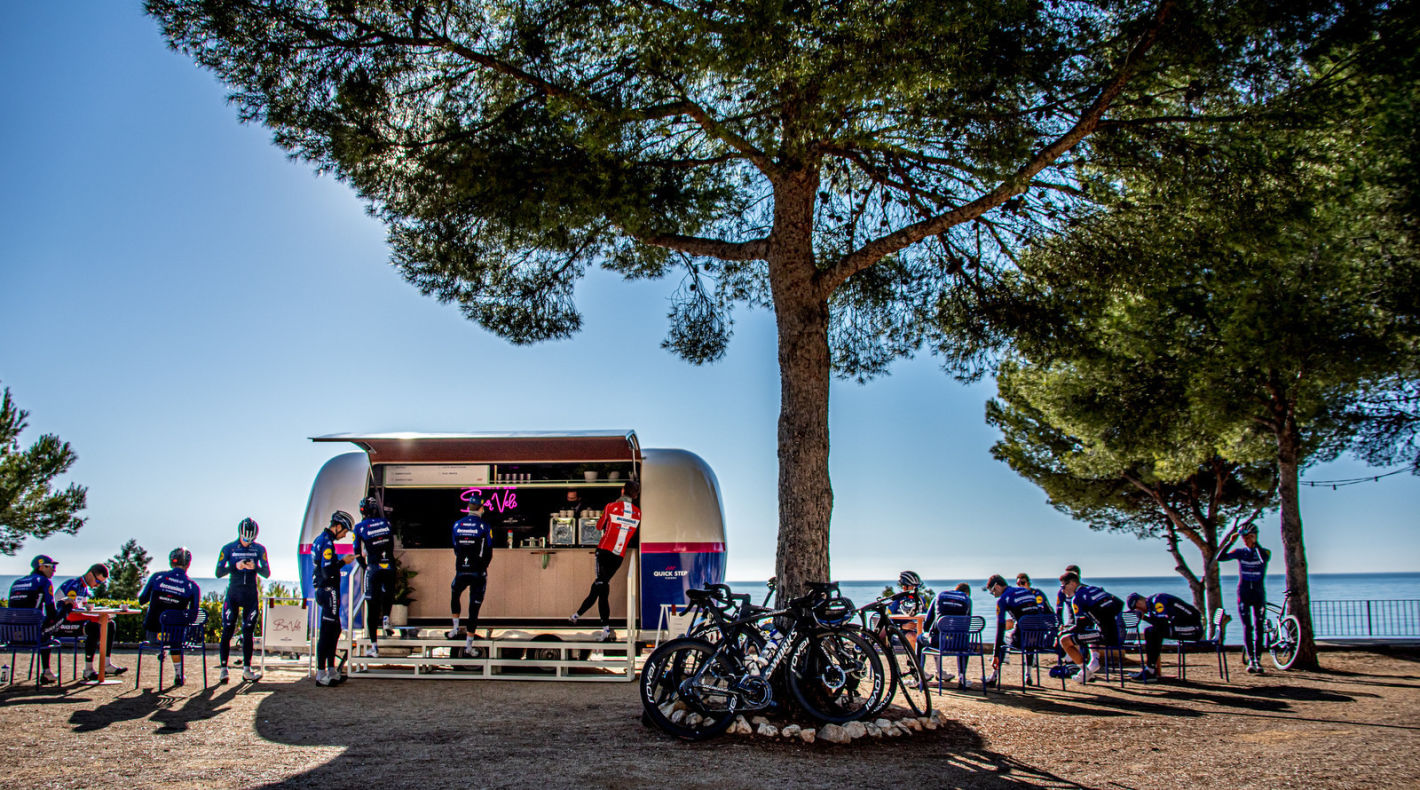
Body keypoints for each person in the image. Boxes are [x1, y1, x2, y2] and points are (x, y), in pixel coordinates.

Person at [571, 480, 641, 642]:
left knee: (600, 586)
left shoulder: (611, 507)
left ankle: (586, 618)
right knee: (602, 586)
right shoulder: (638, 513)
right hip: (619, 555)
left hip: (604, 551)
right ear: (635, 495)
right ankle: (584, 618)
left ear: (622, 490)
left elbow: (598, 526)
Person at [215, 517, 270, 683]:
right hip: (234, 593)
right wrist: (235, 566)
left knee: (248, 631)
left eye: (250, 539)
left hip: (251, 594)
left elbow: (267, 573)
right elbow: (218, 572)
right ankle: (223, 669)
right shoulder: (228, 548)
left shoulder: (260, 549)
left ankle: (247, 668)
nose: (247, 542)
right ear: (239, 534)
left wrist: (256, 567)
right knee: (228, 629)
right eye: (245, 539)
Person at [138, 548, 202, 687]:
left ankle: (162, 650)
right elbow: (193, 616)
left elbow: (142, 600)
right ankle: (178, 674)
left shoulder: (157, 577)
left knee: (165, 630)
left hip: (153, 634)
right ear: (188, 564)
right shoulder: (192, 586)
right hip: (176, 638)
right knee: (176, 633)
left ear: (171, 562)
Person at [57, 563, 127, 681]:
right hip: (60, 623)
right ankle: (88, 670)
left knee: (109, 624)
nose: (97, 585)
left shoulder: (83, 588)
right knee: (93, 627)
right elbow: (69, 615)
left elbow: (82, 611)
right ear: (90, 574)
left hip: (70, 621)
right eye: (98, 582)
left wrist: (99, 615)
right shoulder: (73, 586)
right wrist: (95, 618)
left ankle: (106, 664)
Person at [1218, 523, 1272, 673]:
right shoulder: (1240, 552)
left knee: (1259, 626)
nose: (1246, 540)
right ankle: (1251, 660)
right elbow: (1220, 558)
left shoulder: (1264, 551)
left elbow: (1264, 559)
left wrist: (1256, 544)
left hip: (1258, 593)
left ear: (1255, 537)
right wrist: (1230, 542)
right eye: (1244, 538)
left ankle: (1257, 659)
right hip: (1244, 593)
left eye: (1249, 538)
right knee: (1247, 627)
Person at [311, 510, 356, 687]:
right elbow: (327, 570)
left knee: (335, 629)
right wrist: (343, 562)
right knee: (327, 632)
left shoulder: (320, 540)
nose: (345, 534)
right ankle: (321, 673)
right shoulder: (327, 543)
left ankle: (331, 669)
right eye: (344, 531)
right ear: (337, 526)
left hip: (324, 589)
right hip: (329, 590)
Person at [982, 573, 1052, 686]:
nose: (994, 595)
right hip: (1039, 638)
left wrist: (995, 654)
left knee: (1003, 639)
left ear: (997, 586)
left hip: (1022, 640)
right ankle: (1028, 674)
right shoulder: (1028, 592)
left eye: (992, 592)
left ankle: (994, 676)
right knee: (1029, 634)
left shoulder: (1003, 600)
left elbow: (1000, 627)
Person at [1057, 571, 1125, 684]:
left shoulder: (1077, 598)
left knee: (1064, 640)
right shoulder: (1095, 589)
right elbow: (1119, 603)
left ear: (1073, 584)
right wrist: (1107, 618)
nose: (1062, 590)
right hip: (1120, 632)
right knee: (1089, 633)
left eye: (1063, 586)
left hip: (1107, 635)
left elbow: (1079, 625)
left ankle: (1085, 672)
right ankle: (1092, 664)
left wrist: (1064, 631)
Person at [449, 492, 494, 657]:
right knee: (473, 609)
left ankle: (454, 628)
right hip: (478, 572)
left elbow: (455, 548)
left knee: (455, 593)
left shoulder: (456, 525)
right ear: (481, 508)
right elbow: (489, 551)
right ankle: (468, 646)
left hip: (461, 569)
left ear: (468, 508)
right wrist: (483, 567)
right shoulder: (484, 526)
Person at [7, 555, 63, 684]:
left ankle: (47, 672)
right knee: (56, 620)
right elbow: (51, 612)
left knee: (44, 627)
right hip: (34, 635)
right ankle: (47, 672)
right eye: (52, 567)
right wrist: (65, 607)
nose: (54, 571)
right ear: (42, 567)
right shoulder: (44, 581)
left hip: (13, 635)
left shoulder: (17, 582)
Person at [353, 496, 396, 658]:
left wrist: (366, 567)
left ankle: (374, 646)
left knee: (372, 606)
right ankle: (386, 619)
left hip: (373, 568)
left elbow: (357, 553)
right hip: (390, 566)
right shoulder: (386, 523)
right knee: (388, 594)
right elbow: (391, 544)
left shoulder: (358, 528)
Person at [1127, 592, 1204, 683]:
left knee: (1153, 631)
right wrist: (1145, 618)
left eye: (1137, 608)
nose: (1140, 611)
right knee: (1150, 631)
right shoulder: (1152, 605)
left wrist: (1144, 617)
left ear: (1139, 603)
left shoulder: (1158, 600)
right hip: (1181, 627)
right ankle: (1150, 669)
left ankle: (1150, 670)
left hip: (1193, 629)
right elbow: (1159, 624)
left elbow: (1161, 624)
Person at [921, 582, 973, 687]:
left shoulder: (938, 598)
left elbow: (927, 623)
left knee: (920, 639)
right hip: (959, 644)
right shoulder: (967, 601)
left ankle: (918, 674)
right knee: (964, 640)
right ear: (966, 593)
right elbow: (966, 625)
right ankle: (962, 677)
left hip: (938, 643)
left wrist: (928, 631)